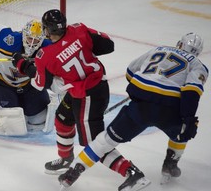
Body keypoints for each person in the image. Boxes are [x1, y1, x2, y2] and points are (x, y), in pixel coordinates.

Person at [12, 9, 150, 191]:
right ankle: (65, 158)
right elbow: (108, 45)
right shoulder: (79, 29)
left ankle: (132, 173)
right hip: (89, 87)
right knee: (62, 118)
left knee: (96, 145)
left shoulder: (45, 56)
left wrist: (23, 65)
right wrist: (79, 50)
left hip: (87, 95)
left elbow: (40, 83)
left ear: (47, 31)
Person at [58, 32, 209, 189]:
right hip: (168, 110)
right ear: (197, 52)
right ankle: (170, 163)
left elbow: (131, 71)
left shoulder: (159, 49)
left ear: (179, 43)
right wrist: (188, 119)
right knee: (184, 129)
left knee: (105, 140)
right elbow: (191, 93)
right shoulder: (198, 65)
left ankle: (72, 172)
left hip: (140, 108)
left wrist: (140, 93)